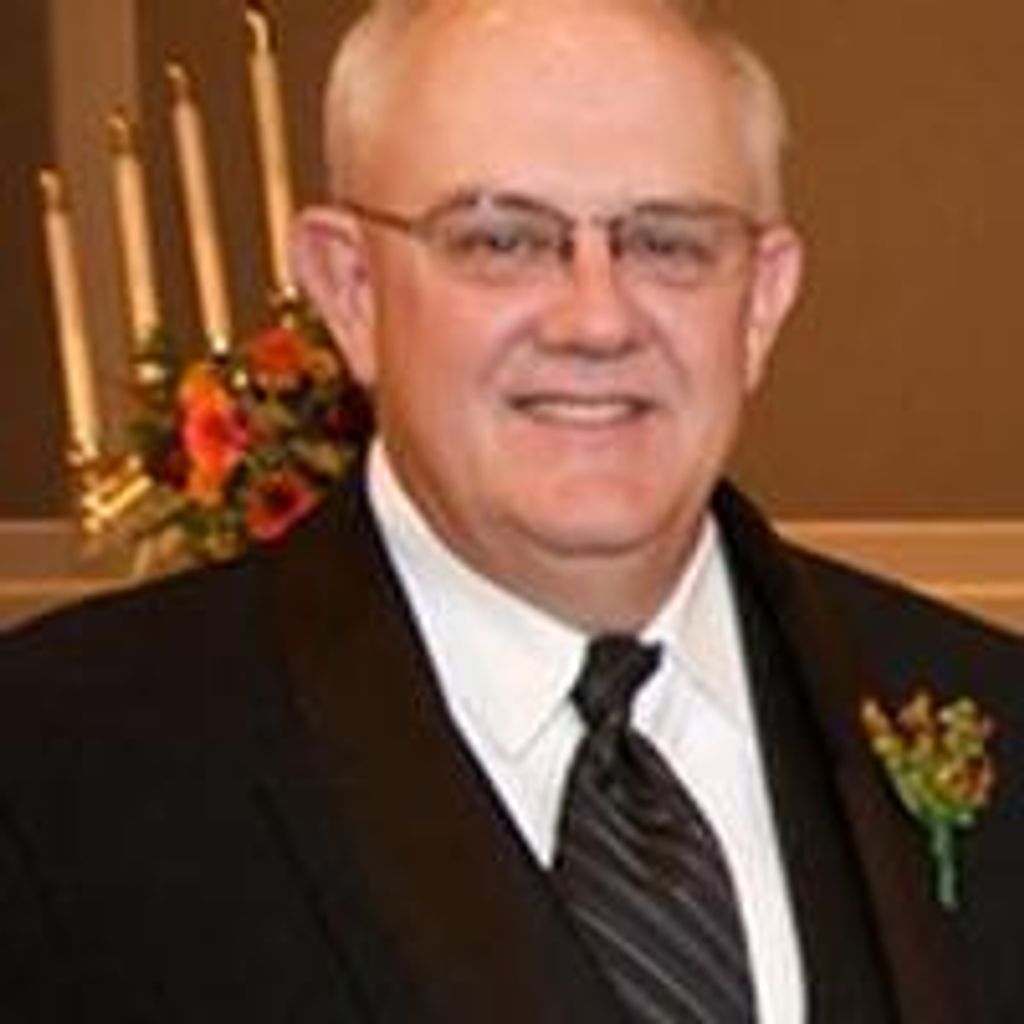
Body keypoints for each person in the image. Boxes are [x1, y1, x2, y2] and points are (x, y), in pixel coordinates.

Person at [2, 0, 1022, 1020]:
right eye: (500, 240)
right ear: (350, 288)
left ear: (760, 299)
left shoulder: (983, 711)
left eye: (668, 244)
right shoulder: (59, 770)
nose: (597, 319)